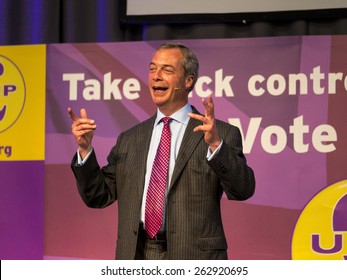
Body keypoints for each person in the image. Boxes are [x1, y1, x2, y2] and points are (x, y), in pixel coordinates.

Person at [68, 42, 255, 260]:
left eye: (167, 70)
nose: (156, 76)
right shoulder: (130, 139)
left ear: (188, 81)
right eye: (152, 68)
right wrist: (84, 149)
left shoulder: (220, 133)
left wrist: (216, 145)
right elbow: (97, 196)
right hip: (137, 256)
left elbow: (243, 190)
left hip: (195, 258)